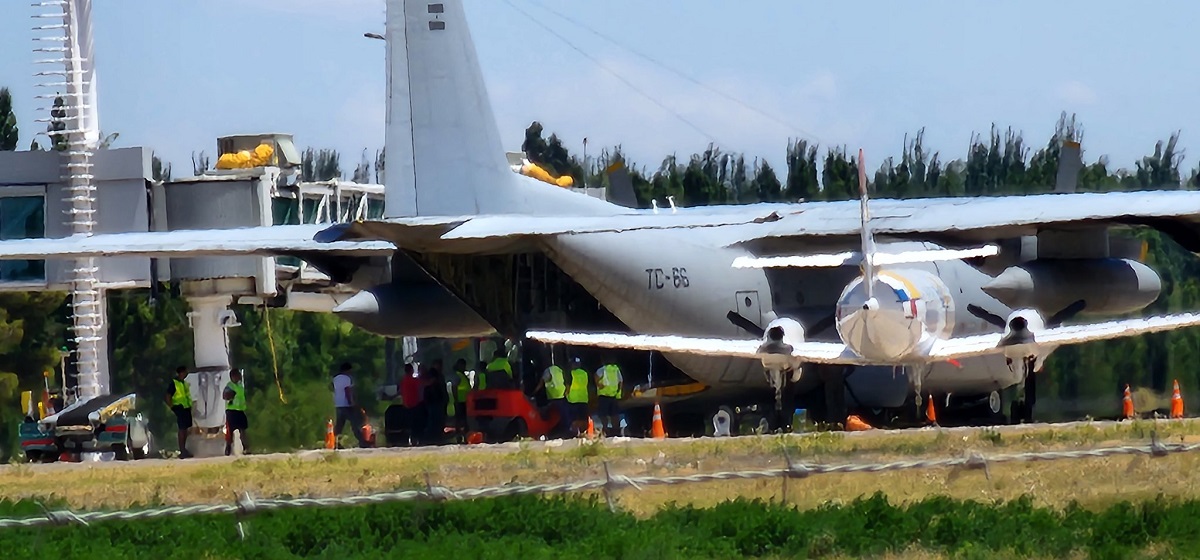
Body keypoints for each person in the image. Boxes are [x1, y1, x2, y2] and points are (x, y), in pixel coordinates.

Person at [332, 362, 367, 448]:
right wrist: (351, 402)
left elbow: (333, 388)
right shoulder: (347, 378)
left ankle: (335, 443)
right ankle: (362, 442)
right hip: (346, 405)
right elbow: (348, 391)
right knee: (355, 423)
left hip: (338, 404)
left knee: (339, 425)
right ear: (347, 370)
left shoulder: (335, 378)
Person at [536, 357, 569, 437]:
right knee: (563, 415)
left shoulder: (547, 371)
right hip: (561, 395)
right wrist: (566, 392)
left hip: (553, 396)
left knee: (551, 416)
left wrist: (534, 392)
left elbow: (542, 383)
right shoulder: (559, 370)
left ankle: (553, 432)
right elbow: (566, 382)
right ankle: (565, 431)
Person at [166, 366, 193, 458]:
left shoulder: (184, 383)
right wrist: (171, 407)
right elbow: (168, 395)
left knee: (186, 429)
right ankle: (182, 450)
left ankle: (184, 449)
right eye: (185, 372)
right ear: (181, 372)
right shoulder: (174, 383)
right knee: (182, 429)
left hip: (186, 408)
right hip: (179, 408)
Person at [222, 369, 249, 456]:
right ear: (233, 376)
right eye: (238, 375)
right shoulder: (229, 386)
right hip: (232, 411)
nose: (239, 377)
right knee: (230, 432)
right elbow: (225, 396)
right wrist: (230, 395)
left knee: (243, 430)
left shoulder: (240, 385)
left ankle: (246, 448)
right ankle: (228, 448)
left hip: (240, 410)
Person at [595, 357, 623, 437]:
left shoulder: (602, 369)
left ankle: (606, 430)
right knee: (614, 414)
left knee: (603, 415)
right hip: (613, 395)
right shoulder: (616, 369)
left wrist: (599, 385)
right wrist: (619, 392)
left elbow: (596, 377)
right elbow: (621, 381)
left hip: (604, 395)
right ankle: (616, 431)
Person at [423, 359, 448, 444]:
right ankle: (432, 437)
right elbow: (429, 383)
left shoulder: (439, 375)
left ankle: (437, 436)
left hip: (437, 400)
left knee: (438, 420)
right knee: (433, 420)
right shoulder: (433, 373)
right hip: (434, 400)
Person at [447, 358, 471, 441]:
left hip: (464, 400)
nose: (464, 367)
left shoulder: (461, 374)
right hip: (460, 401)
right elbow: (454, 387)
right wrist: (456, 399)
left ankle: (464, 434)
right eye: (463, 365)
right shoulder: (457, 375)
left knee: (463, 419)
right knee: (460, 419)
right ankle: (459, 435)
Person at [400, 363, 424, 446]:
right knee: (416, 424)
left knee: (408, 424)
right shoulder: (415, 380)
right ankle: (415, 440)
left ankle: (407, 439)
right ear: (412, 370)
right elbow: (422, 386)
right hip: (415, 404)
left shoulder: (403, 381)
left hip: (406, 405)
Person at [566, 357, 591, 435]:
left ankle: (575, 434)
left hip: (573, 399)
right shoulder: (585, 373)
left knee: (574, 419)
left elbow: (568, 385)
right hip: (583, 398)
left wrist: (566, 394)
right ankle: (583, 433)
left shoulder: (570, 373)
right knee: (583, 418)